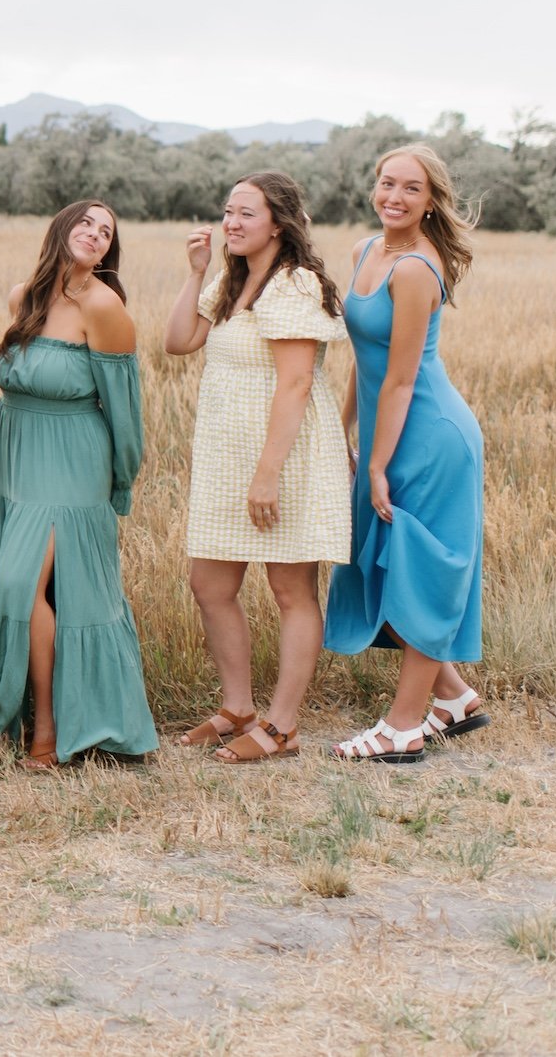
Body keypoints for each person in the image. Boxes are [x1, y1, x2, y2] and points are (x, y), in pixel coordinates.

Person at [163, 173, 351, 762]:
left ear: (280, 222)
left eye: (247, 214)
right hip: (226, 456)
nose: (232, 223)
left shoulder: (295, 285)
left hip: (285, 457)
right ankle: (238, 707)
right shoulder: (231, 279)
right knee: (210, 583)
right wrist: (196, 271)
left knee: (290, 588)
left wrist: (268, 472)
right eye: (228, 212)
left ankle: (284, 726)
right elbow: (177, 342)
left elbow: (296, 383)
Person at [0, 200, 157, 769]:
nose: (96, 235)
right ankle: (24, 711)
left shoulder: (104, 307)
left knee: (24, 587)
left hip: (72, 464)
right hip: (15, 461)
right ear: (61, 227)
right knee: (19, 590)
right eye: (86, 222)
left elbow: (125, 408)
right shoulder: (21, 295)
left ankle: (49, 730)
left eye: (107, 233)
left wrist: (120, 480)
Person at [327, 144, 489, 762]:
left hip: (430, 437)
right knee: (374, 564)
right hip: (384, 431)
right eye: (387, 183)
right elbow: (363, 360)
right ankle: (452, 699)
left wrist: (374, 464)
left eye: (411, 189)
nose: (394, 197)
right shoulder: (365, 251)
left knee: (418, 570)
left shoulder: (417, 270)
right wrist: (339, 428)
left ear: (430, 201)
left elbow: (398, 379)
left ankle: (402, 729)